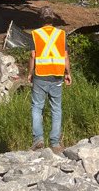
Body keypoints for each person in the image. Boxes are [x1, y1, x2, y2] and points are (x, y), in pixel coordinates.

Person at [28, 8, 72, 151]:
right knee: (56, 109)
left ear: (40, 19)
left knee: (37, 108)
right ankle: (55, 143)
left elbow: (33, 56)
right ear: (53, 19)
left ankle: (38, 140)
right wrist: (68, 73)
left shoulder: (35, 34)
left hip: (40, 75)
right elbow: (65, 56)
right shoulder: (61, 34)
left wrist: (29, 73)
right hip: (57, 75)